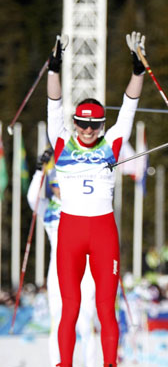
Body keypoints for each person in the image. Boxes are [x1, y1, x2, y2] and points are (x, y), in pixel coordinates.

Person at [46, 31, 145, 367]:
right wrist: (54, 69)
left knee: (105, 305)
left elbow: (129, 109)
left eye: (94, 126)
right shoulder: (60, 140)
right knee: (70, 305)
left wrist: (137, 71)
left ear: (102, 126)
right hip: (71, 231)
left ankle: (109, 364)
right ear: (75, 124)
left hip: (103, 230)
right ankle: (65, 363)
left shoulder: (112, 143)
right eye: (83, 125)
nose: (88, 131)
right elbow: (54, 105)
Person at [27, 149, 98, 367]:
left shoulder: (83, 204)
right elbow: (32, 198)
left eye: (63, 185)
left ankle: (90, 363)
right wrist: (40, 171)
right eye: (55, 185)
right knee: (57, 319)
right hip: (57, 268)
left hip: (84, 268)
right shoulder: (47, 208)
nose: (59, 190)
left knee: (86, 321)